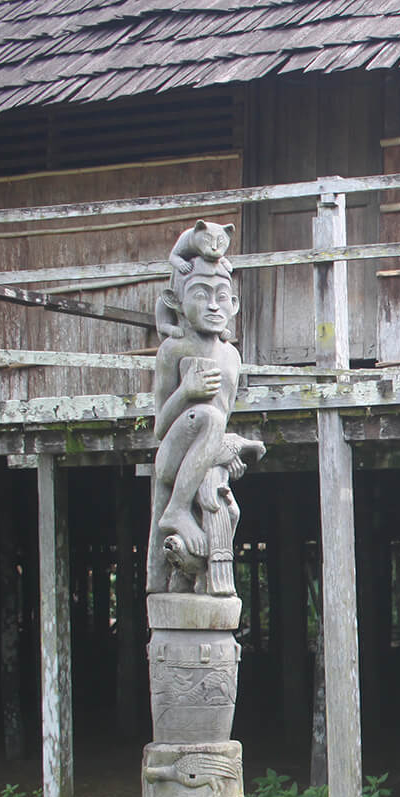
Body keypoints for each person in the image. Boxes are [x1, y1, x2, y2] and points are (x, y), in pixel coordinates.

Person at [147, 227, 262, 595]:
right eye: (201, 295)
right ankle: (176, 510)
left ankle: (204, 575)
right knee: (211, 419)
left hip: (207, 456)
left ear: (234, 306)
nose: (214, 305)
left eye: (222, 297)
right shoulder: (173, 351)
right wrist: (186, 392)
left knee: (227, 509)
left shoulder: (231, 356)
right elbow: (160, 427)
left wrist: (226, 456)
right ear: (177, 303)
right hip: (174, 460)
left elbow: (222, 420)